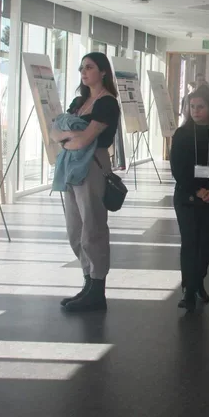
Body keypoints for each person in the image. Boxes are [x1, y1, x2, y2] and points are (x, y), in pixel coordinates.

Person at [53, 52, 120, 313]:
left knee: (93, 228)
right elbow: (53, 131)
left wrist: (67, 137)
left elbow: (84, 141)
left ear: (103, 72)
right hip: (71, 168)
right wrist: (70, 135)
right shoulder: (79, 101)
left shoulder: (107, 104)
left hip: (93, 166)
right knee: (74, 230)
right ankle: (87, 281)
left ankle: (97, 287)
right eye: (82, 67)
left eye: (89, 67)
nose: (84, 71)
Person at [170, 87, 209, 313]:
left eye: (200, 107)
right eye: (192, 107)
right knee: (189, 242)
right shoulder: (182, 134)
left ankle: (199, 282)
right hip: (186, 196)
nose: (195, 111)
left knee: (205, 242)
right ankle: (189, 289)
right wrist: (197, 190)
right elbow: (177, 168)